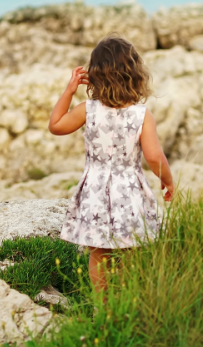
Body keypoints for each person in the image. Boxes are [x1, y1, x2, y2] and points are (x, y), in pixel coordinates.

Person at [48, 34, 174, 295]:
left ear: (94, 76)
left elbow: (56, 126)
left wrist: (69, 90)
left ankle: (101, 307)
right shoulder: (141, 115)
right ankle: (125, 303)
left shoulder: (88, 110)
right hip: (129, 191)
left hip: (95, 189)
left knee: (98, 253)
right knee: (130, 252)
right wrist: (167, 180)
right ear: (135, 74)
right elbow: (153, 156)